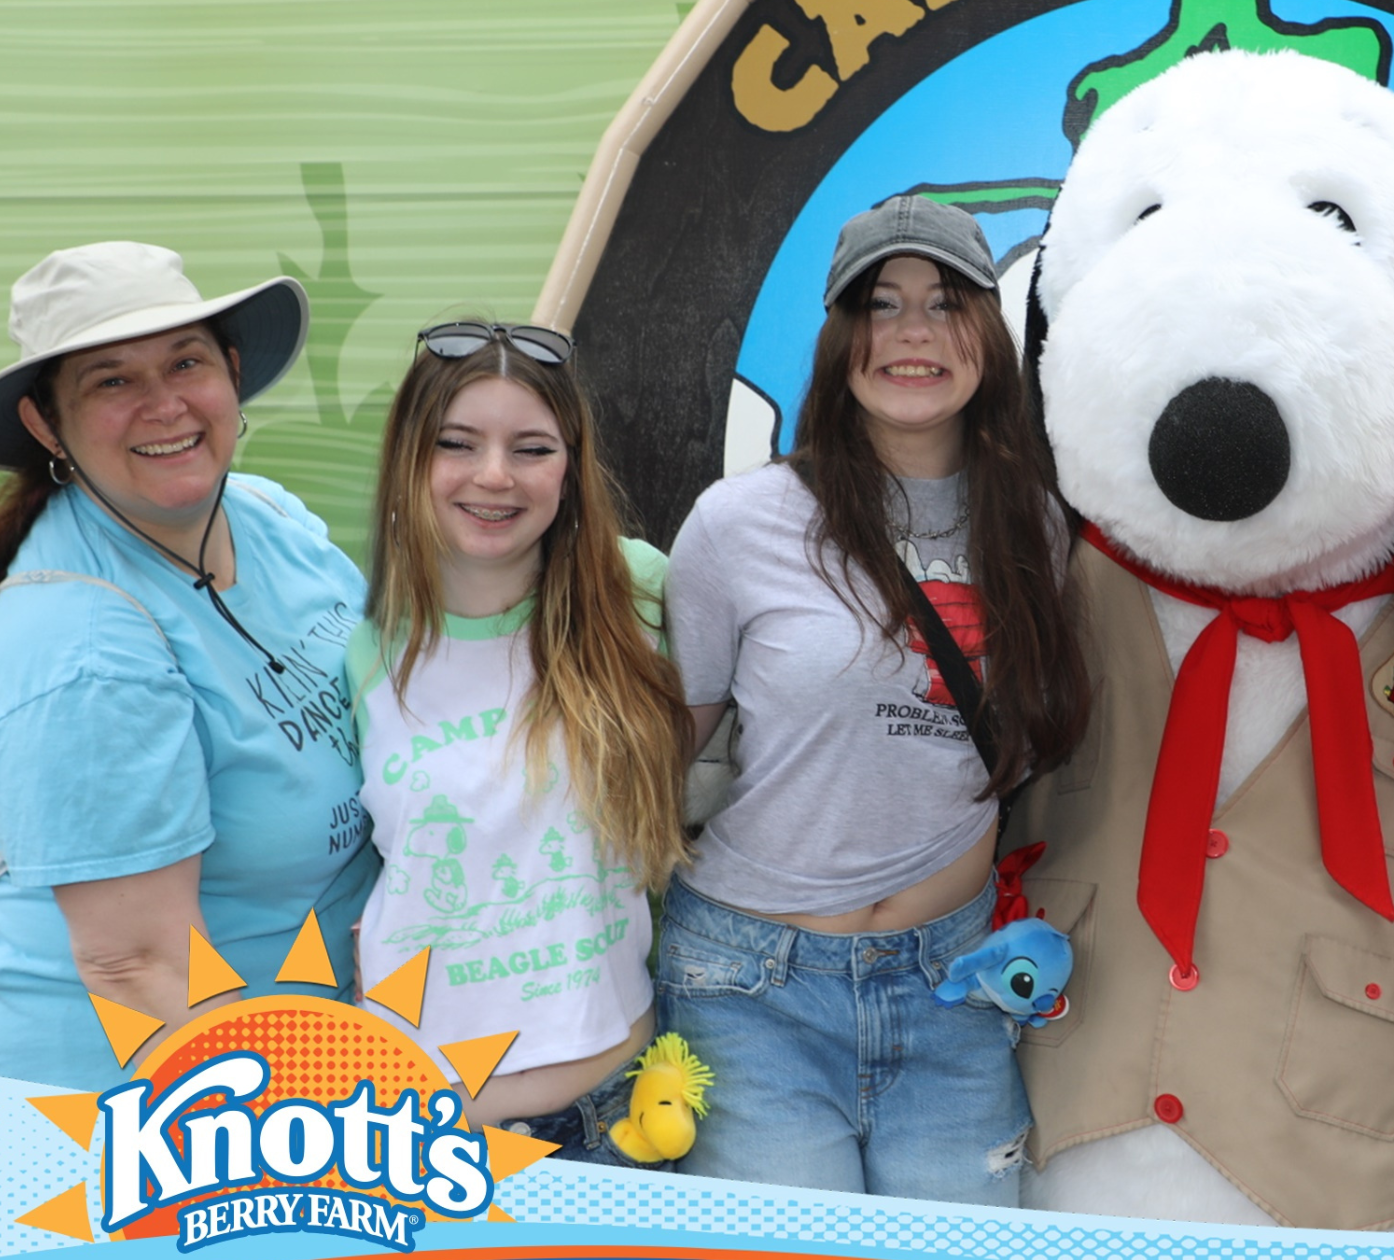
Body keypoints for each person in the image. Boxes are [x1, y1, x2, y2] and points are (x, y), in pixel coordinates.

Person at [658, 195, 1088, 1204]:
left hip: (955, 989)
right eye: (878, 303)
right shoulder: (738, 523)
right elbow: (662, 752)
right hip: (750, 990)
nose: (911, 333)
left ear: (985, 332)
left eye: (943, 304)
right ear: (839, 339)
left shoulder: (1035, 525)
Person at [0, 242, 377, 1089]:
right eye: (111, 381)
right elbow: (143, 972)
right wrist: (329, 1127)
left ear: (230, 370)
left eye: (185, 361)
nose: (164, 404)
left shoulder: (266, 514)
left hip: (312, 1044)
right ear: (46, 425)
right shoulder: (81, 654)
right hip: (134, 1117)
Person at [347, 321, 693, 1155]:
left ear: (570, 469)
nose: (494, 477)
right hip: (412, 1135)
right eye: (457, 443)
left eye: (531, 448)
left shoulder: (639, 594)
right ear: (408, 459)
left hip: (616, 1120)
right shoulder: (362, 641)